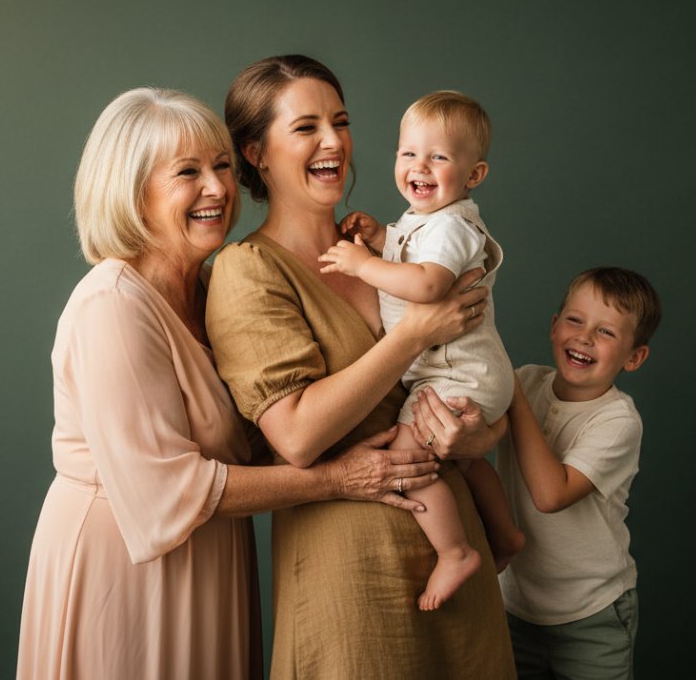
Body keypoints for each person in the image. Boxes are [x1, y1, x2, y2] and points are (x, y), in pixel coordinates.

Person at [15, 87, 444, 680]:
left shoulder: (210, 287)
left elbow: (257, 430)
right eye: (187, 173)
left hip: (211, 554)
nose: (217, 188)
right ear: (131, 188)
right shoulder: (111, 304)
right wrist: (335, 478)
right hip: (127, 566)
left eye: (220, 166)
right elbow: (167, 489)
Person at [207, 55, 516, 678]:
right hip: (350, 564)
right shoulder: (249, 270)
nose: (333, 142)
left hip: (456, 554)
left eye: (341, 121)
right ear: (256, 152)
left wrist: (484, 435)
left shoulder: (405, 241)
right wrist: (413, 337)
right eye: (305, 127)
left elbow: (477, 365)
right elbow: (295, 436)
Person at [318, 90, 525, 609]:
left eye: (439, 157)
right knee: (468, 461)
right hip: (471, 370)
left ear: (473, 175)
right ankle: (507, 535)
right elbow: (415, 251)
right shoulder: (427, 219)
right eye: (408, 154)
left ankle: (455, 552)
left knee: (408, 457)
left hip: (454, 372)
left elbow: (430, 284)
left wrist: (363, 265)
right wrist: (382, 235)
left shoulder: (454, 224)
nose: (420, 166)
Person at [497, 267, 661, 679]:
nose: (584, 337)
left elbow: (551, 495)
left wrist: (513, 398)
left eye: (606, 332)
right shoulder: (525, 381)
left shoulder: (618, 420)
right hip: (514, 607)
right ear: (554, 327)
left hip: (591, 614)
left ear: (634, 357)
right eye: (574, 320)